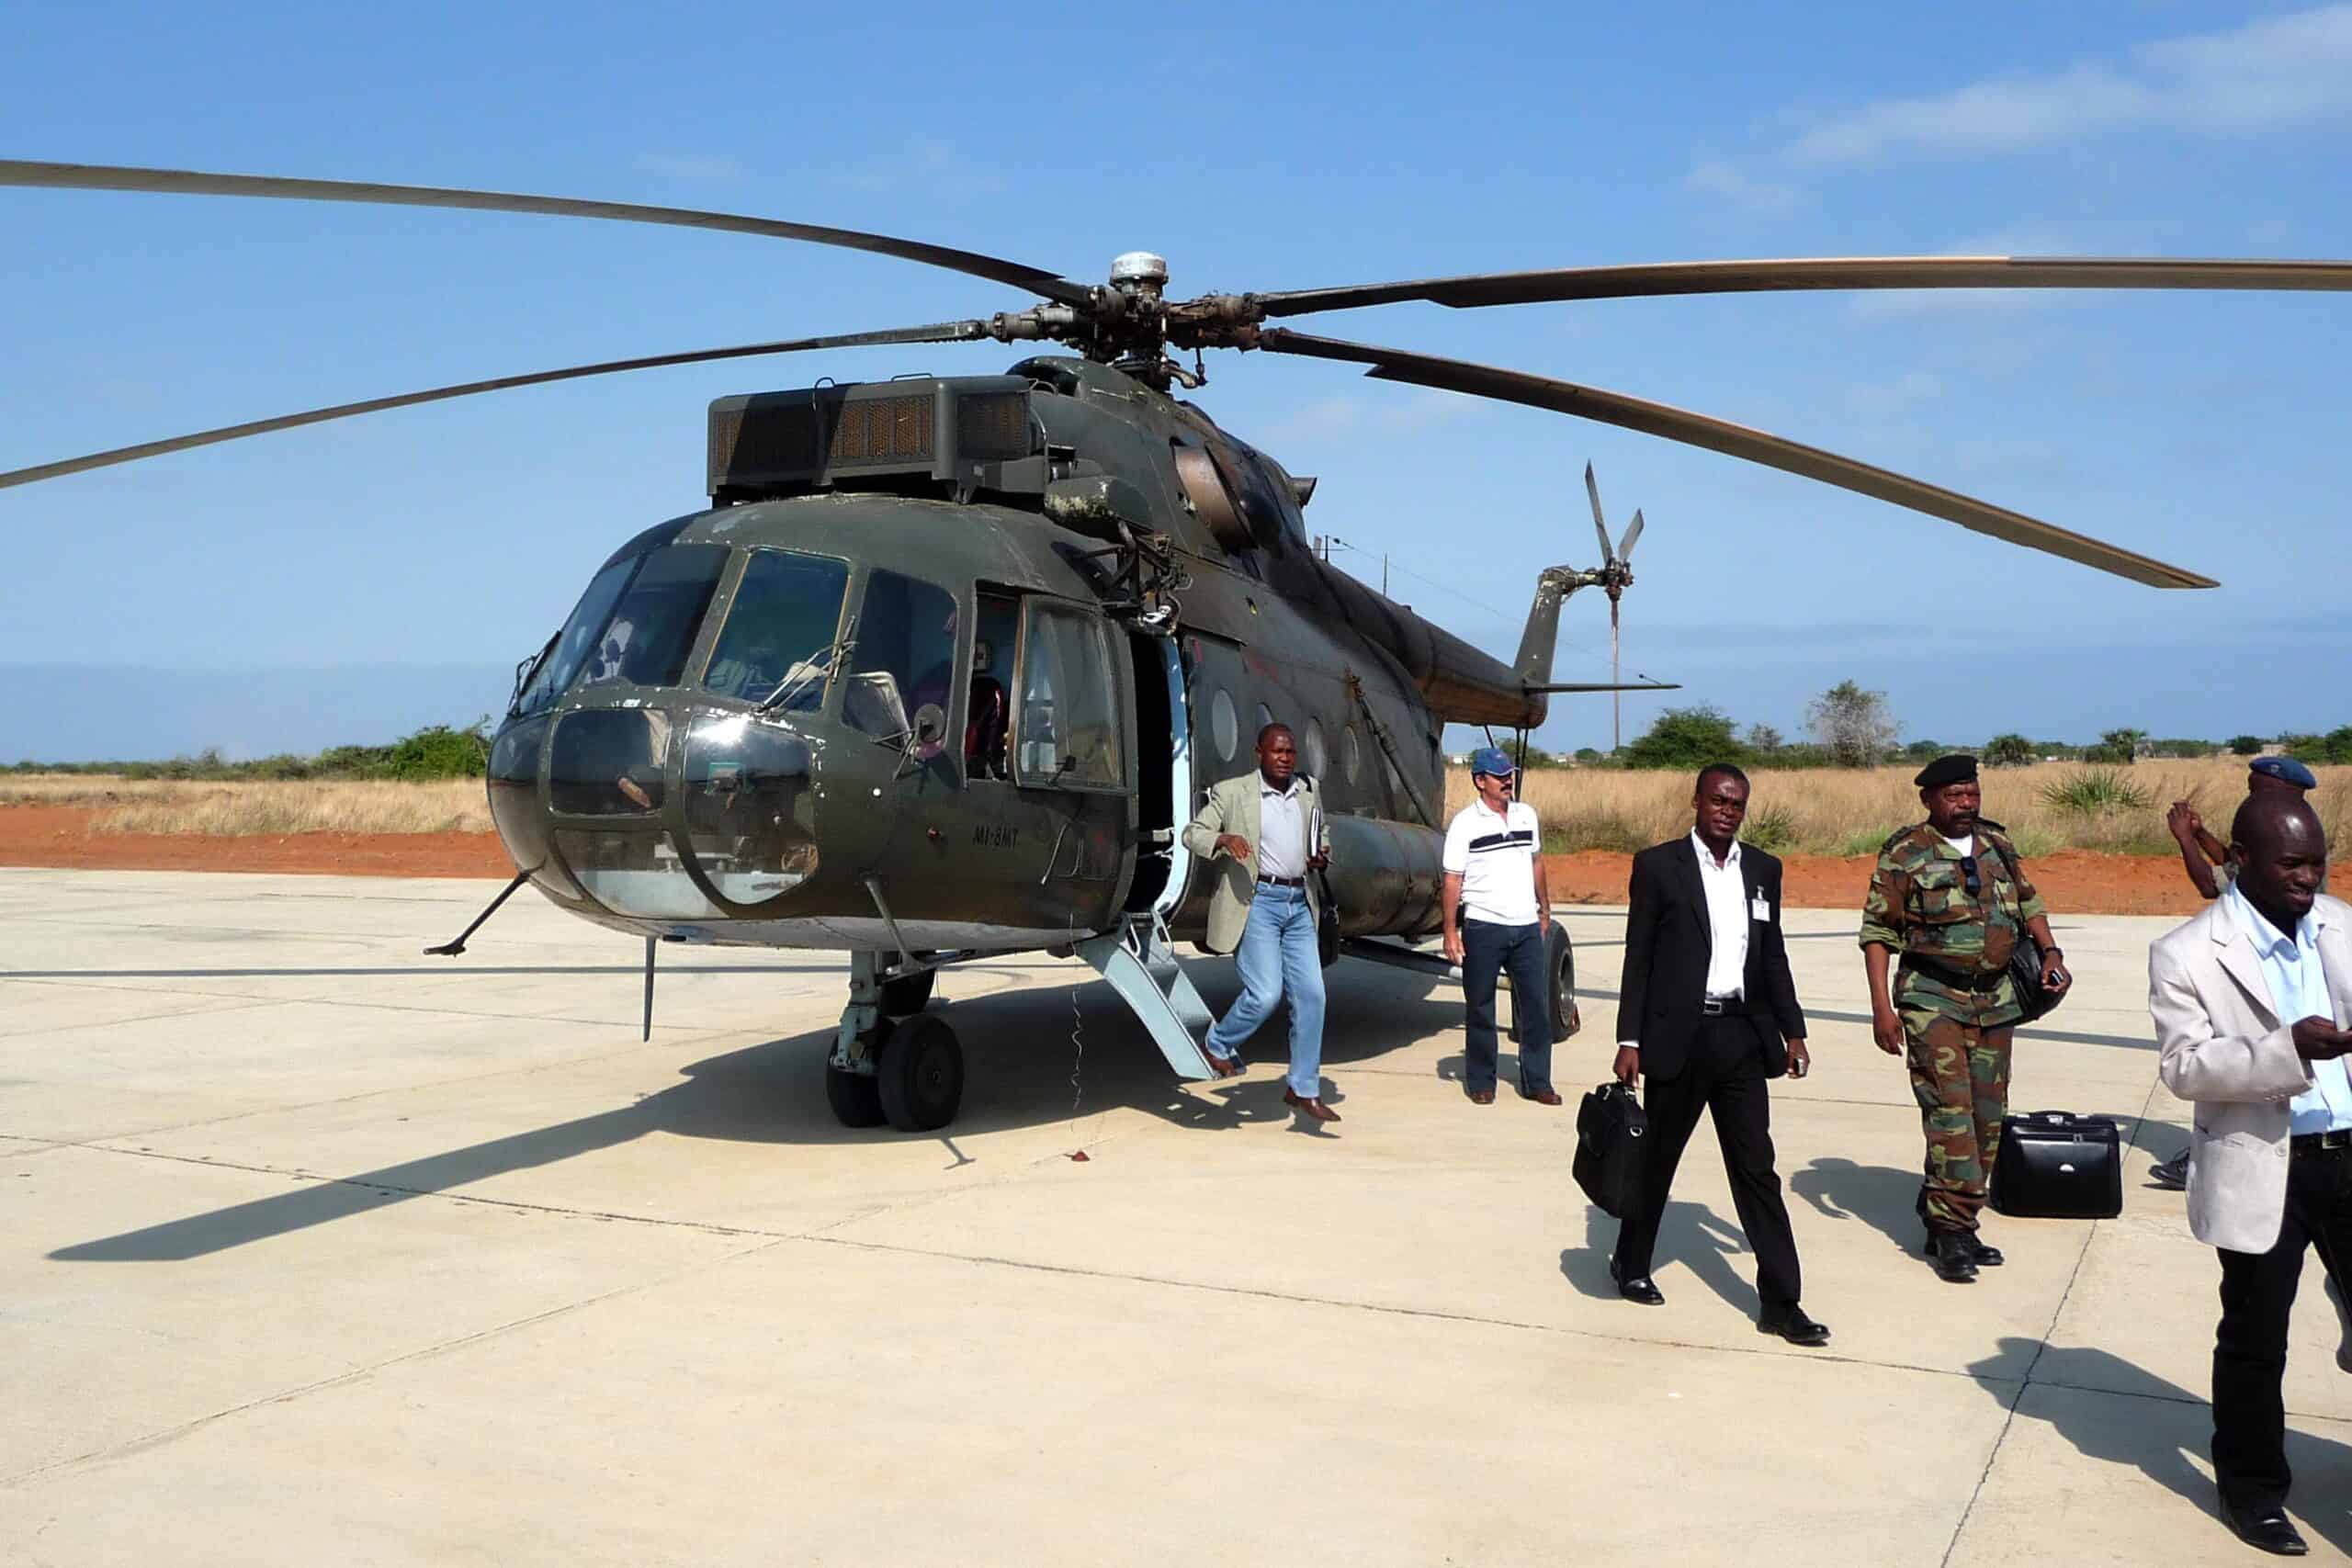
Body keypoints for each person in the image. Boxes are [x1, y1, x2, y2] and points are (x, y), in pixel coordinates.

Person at [2147, 794, 2352, 1557]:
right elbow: (2184, 1066)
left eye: (2317, 861)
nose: (2308, 878)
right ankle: (2253, 1490)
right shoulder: (2187, 951)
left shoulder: (2340, 922)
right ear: (2241, 858)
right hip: (2268, 1167)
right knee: (2256, 1340)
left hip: (2350, 1152)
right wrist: (2287, 1050)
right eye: (2291, 864)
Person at [1608, 764, 1827, 1346]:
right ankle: (1630, 1263)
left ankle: (1782, 1302)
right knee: (1656, 1162)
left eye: (1737, 803)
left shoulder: (1762, 870)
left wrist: (1793, 1030)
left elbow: (1772, 954)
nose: (1727, 810)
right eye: (1718, 800)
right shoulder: (1658, 866)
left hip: (1740, 1039)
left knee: (1757, 1171)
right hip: (1678, 1038)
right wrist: (1629, 1039)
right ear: (1697, 801)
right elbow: (1640, 958)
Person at [1860, 753, 2070, 1284]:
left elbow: (2030, 903)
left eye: (1972, 795)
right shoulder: (1906, 853)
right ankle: (1955, 1231)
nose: (1966, 805)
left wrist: (2050, 954)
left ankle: (1945, 1213)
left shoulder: (1997, 844)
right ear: (1929, 799)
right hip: (1933, 999)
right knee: (1949, 1114)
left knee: (1985, 1118)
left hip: (1996, 999)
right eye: (1954, 796)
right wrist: (1882, 1009)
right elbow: (1879, 933)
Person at [2155, 757, 2321, 1190]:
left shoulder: (2293, 849)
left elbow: (2214, 884)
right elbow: (2234, 862)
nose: (2251, 794)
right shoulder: (2289, 832)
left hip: (2277, 970)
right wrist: (2201, 833)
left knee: (2259, 1061)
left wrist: (2184, 841)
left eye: (2258, 788)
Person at [1181, 723, 1339, 1122]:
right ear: (1260, 753)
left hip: (1299, 902)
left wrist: (1321, 855)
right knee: (1266, 993)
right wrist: (1223, 840)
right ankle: (1217, 1043)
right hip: (1258, 903)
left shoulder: (1308, 790)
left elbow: (1323, 838)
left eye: (1291, 753)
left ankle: (1303, 1087)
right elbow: (1192, 833)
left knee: (1313, 996)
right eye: (1277, 752)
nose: (1285, 759)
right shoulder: (1233, 792)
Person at [1440, 747, 1558, 1106]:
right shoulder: (1465, 824)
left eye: (1510, 774)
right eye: (1499, 776)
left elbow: (1536, 862)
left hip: (1525, 927)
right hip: (1484, 926)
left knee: (1536, 1006)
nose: (1508, 781)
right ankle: (1481, 1080)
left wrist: (1544, 908)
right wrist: (1449, 930)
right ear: (1480, 781)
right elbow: (1451, 879)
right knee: (1480, 1006)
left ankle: (1538, 1081)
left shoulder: (1526, 816)